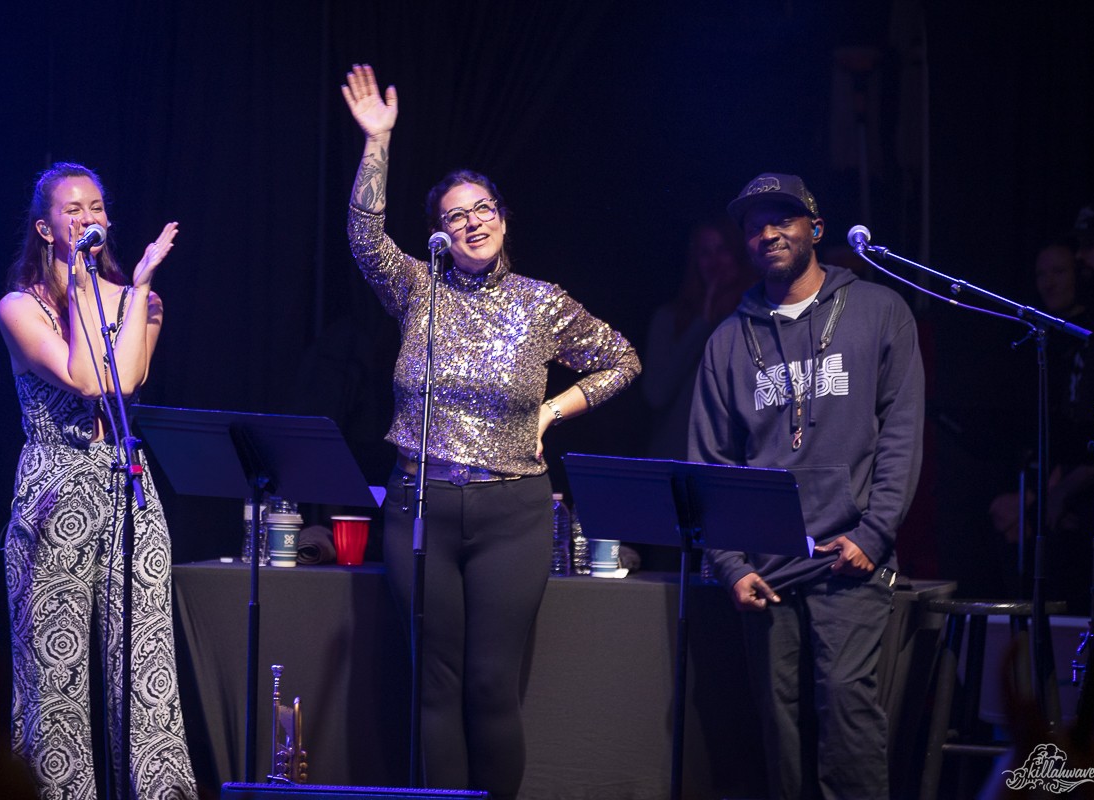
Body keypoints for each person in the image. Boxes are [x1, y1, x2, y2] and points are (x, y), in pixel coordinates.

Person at [340, 64, 640, 800]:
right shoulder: (419, 288)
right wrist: (377, 142)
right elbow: (362, 236)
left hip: (511, 510)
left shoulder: (542, 304)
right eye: (453, 215)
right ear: (439, 232)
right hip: (419, 504)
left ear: (503, 216)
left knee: (488, 683)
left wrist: (550, 410)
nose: (470, 222)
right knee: (433, 684)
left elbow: (622, 359)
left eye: (482, 209)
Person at [688, 173, 924, 800]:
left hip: (849, 560)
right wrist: (731, 564)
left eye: (783, 219)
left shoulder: (878, 311)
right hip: (766, 570)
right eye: (754, 224)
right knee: (777, 730)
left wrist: (873, 534)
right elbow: (711, 461)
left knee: (848, 715)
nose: (768, 233)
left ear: (814, 229)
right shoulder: (727, 341)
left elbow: (900, 433)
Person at [0, 162, 198, 800]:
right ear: (45, 226)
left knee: (147, 670)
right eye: (72, 209)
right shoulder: (18, 308)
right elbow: (84, 377)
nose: (88, 217)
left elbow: (124, 380)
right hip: (56, 490)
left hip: (127, 487)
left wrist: (134, 289)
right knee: (52, 679)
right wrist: (86, 284)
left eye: (97, 206)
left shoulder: (144, 300)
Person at [988, 240, 1094, 612]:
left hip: (1080, 481)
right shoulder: (1036, 337)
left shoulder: (1089, 336)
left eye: (1059, 272)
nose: (1049, 283)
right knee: (1003, 518)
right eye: (1041, 274)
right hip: (1046, 473)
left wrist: (1051, 491)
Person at [642, 216, 755, 460]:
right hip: (678, 456)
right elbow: (656, 393)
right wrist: (702, 323)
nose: (715, 261)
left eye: (722, 250)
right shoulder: (670, 318)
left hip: (737, 458)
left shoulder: (755, 317)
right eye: (705, 252)